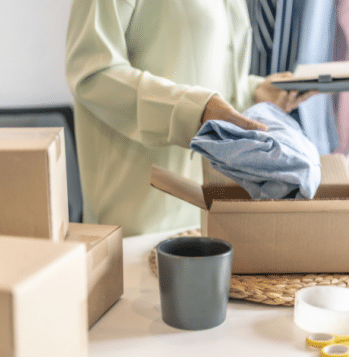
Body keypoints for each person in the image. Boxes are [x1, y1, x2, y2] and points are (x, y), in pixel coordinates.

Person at [65, 0, 316, 237]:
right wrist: (196, 110)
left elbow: (205, 74)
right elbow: (92, 73)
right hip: (138, 222)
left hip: (208, 214)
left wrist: (253, 92)